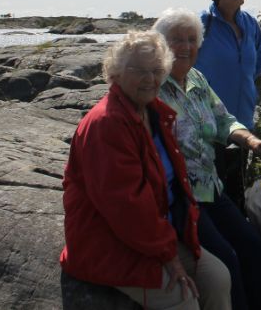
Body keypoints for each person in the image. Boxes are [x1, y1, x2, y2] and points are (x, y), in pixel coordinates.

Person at [59, 31, 231, 310]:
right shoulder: (107, 124)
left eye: (156, 70)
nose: (150, 79)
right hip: (110, 244)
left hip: (152, 236)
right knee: (184, 299)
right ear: (114, 73)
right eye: (139, 70)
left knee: (218, 278)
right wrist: (169, 256)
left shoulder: (153, 112)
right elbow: (127, 207)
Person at [153, 8, 261, 310]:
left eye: (191, 40)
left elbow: (224, 120)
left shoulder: (197, 79)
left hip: (211, 187)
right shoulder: (154, 86)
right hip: (182, 198)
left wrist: (252, 140)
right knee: (228, 259)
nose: (185, 47)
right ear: (161, 45)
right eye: (176, 40)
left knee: (253, 247)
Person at [195, 0, 261, 130]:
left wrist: (247, 86)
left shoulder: (251, 24)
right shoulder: (202, 22)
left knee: (241, 157)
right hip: (210, 122)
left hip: (244, 120)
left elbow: (259, 61)